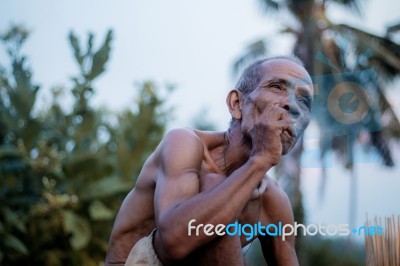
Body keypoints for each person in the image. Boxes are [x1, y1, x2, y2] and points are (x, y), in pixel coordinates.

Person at [105, 56, 314, 266]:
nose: (293, 106)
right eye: (277, 87)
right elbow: (174, 243)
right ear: (236, 104)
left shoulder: (272, 200)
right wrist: (260, 160)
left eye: (304, 101)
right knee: (214, 187)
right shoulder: (184, 144)